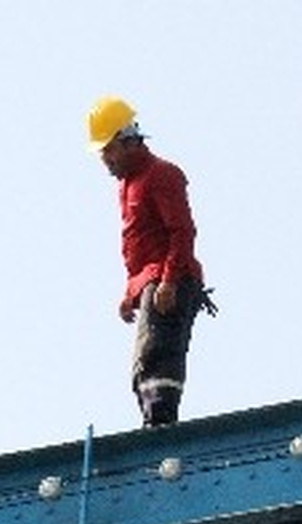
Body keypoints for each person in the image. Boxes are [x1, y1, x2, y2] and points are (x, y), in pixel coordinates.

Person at [87, 95, 216, 428]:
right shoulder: (129, 185)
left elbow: (182, 231)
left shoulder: (162, 175)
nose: (105, 160)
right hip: (151, 281)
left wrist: (170, 280)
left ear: (127, 142)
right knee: (144, 361)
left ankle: (160, 424)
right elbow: (139, 246)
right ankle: (153, 420)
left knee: (158, 354)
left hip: (168, 280)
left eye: (108, 151)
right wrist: (131, 292)